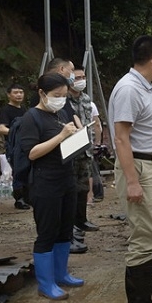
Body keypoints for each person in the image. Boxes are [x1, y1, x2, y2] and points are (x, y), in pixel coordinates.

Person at [108, 35, 152, 303]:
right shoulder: (129, 89)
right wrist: (132, 180)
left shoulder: (145, 87)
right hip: (140, 168)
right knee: (143, 233)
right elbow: (121, 139)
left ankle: (148, 283)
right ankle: (138, 302)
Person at [18, 73, 85, 300]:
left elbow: (70, 134)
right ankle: (46, 284)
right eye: (57, 96)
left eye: (64, 96)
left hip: (66, 178)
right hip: (44, 182)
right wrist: (61, 136)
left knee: (65, 229)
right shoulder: (31, 118)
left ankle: (61, 274)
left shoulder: (63, 111)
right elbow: (32, 153)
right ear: (42, 94)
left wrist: (78, 133)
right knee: (47, 232)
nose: (61, 100)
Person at [66, 66, 101, 235]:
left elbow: (92, 123)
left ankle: (82, 220)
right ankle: (70, 224)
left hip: (86, 149)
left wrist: (94, 143)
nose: (81, 80)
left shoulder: (87, 99)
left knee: (84, 186)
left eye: (83, 77)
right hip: (70, 149)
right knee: (70, 188)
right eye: (77, 77)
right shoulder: (63, 99)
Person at [0, 83, 29, 209]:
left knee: (29, 170)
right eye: (15, 92)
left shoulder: (24, 110)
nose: (19, 95)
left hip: (27, 144)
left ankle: (28, 197)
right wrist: (15, 132)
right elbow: (1, 128)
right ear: (8, 95)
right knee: (18, 171)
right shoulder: (5, 110)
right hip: (13, 146)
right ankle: (19, 199)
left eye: (21, 92)